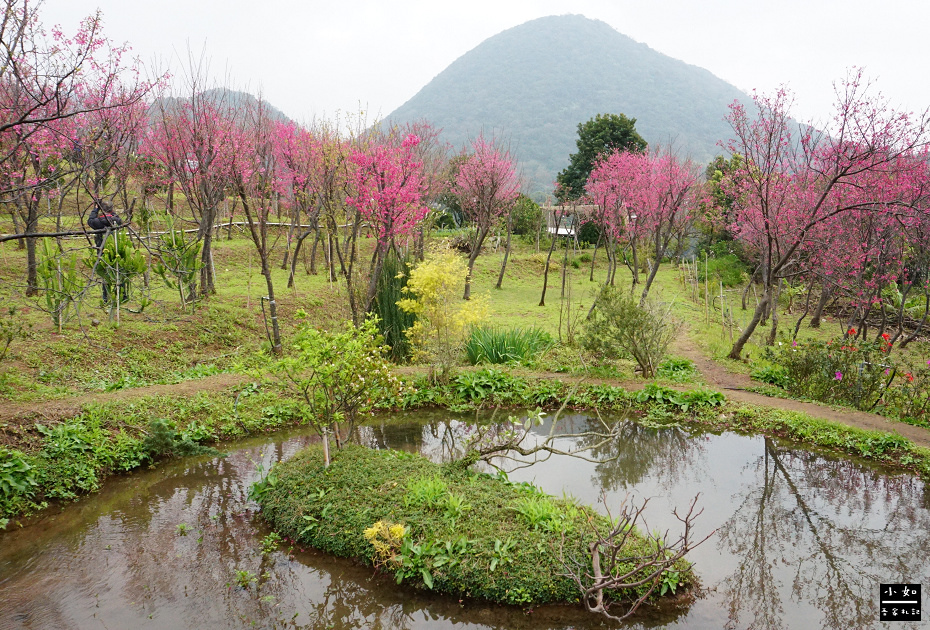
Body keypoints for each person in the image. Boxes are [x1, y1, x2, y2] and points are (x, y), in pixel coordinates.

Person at [87, 200, 122, 303]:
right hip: (114, 247)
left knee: (105, 273)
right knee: (118, 270)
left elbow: (90, 220)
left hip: (101, 248)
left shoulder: (97, 222)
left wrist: (96, 209)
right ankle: (121, 294)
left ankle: (105, 296)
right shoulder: (115, 220)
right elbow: (118, 218)